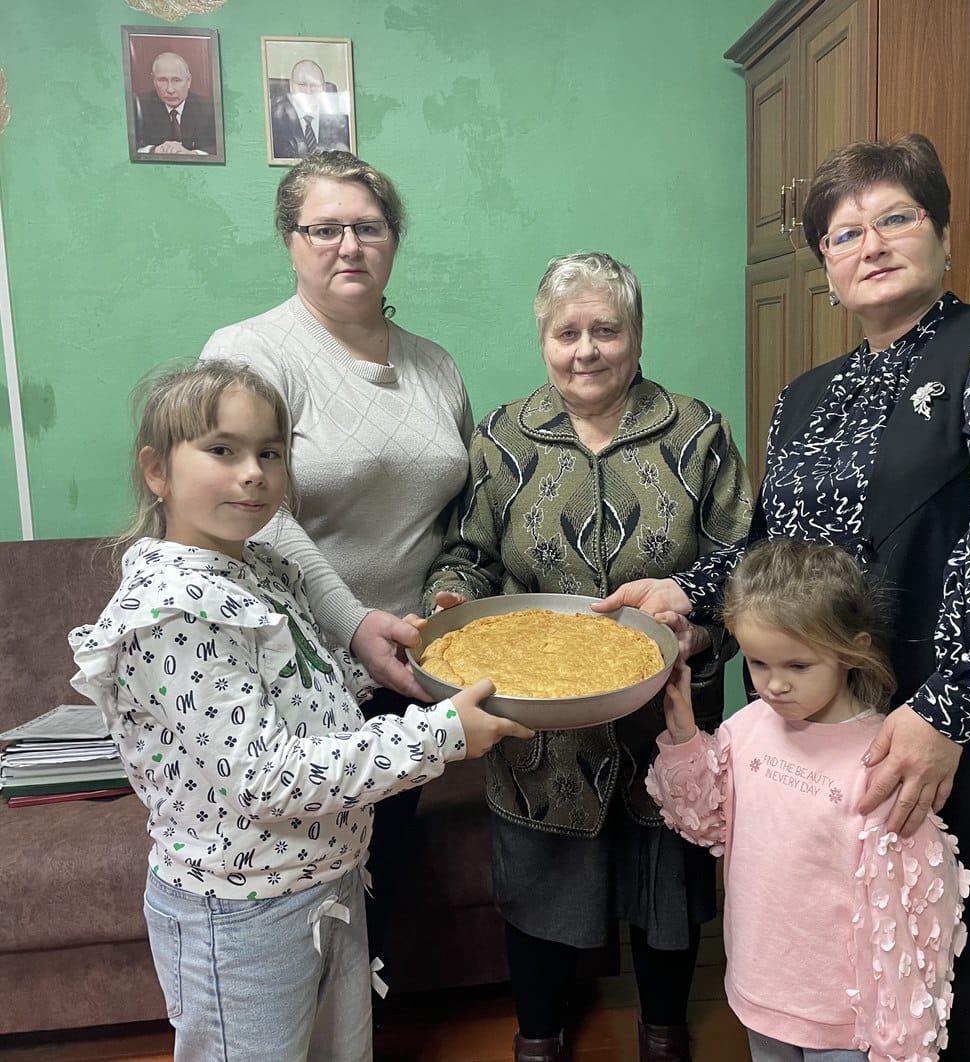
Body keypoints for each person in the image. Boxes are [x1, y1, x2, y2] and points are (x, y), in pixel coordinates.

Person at [598, 135, 970, 1062]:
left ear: (942, 236)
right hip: (854, 765)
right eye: (844, 233)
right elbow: (780, 556)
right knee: (863, 1017)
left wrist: (946, 710)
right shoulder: (811, 397)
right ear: (826, 267)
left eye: (896, 218)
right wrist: (689, 593)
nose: (872, 244)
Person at [67, 361, 531, 1062]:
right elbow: (267, 779)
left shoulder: (261, 570)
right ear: (157, 471)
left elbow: (304, 695)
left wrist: (411, 661)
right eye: (222, 450)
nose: (253, 473)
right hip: (242, 916)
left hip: (326, 881)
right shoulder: (173, 614)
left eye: (271, 453)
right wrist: (436, 737)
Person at [424, 251, 753, 1062]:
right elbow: (467, 555)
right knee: (537, 881)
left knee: (666, 881)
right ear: (542, 338)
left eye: (606, 330)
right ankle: (538, 1038)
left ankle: (665, 1032)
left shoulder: (696, 431)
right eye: (566, 333)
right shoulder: (502, 438)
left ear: (636, 335)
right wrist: (452, 602)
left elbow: (746, 561)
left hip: (668, 710)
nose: (586, 350)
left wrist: (704, 630)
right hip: (537, 723)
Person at [200, 149, 472, 990]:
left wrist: (454, 604)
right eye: (324, 229)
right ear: (290, 240)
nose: (348, 245)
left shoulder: (436, 364)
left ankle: (362, 1023)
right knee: (306, 884)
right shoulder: (248, 353)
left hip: (413, 659)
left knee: (383, 870)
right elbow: (255, 510)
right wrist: (353, 624)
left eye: (368, 227)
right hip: (305, 665)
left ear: (394, 240)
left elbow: (458, 510)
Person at [648, 539, 970, 1062]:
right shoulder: (747, 728)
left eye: (798, 666)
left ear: (851, 650)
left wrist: (900, 1035)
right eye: (758, 663)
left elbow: (915, 916)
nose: (775, 685)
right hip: (760, 993)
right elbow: (706, 821)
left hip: (850, 1022)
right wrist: (684, 733)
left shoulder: (884, 761)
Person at [133, 51, 217, 155]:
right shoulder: (139, 106)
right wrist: (153, 151)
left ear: (188, 81)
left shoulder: (208, 107)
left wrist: (194, 155)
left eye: (176, 80)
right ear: (153, 80)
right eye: (162, 80)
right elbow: (128, 147)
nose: (170, 90)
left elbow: (219, 147)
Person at [271, 59, 353, 160]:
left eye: (314, 85)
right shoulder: (274, 121)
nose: (308, 91)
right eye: (302, 84)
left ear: (323, 87)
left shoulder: (342, 123)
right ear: (291, 86)